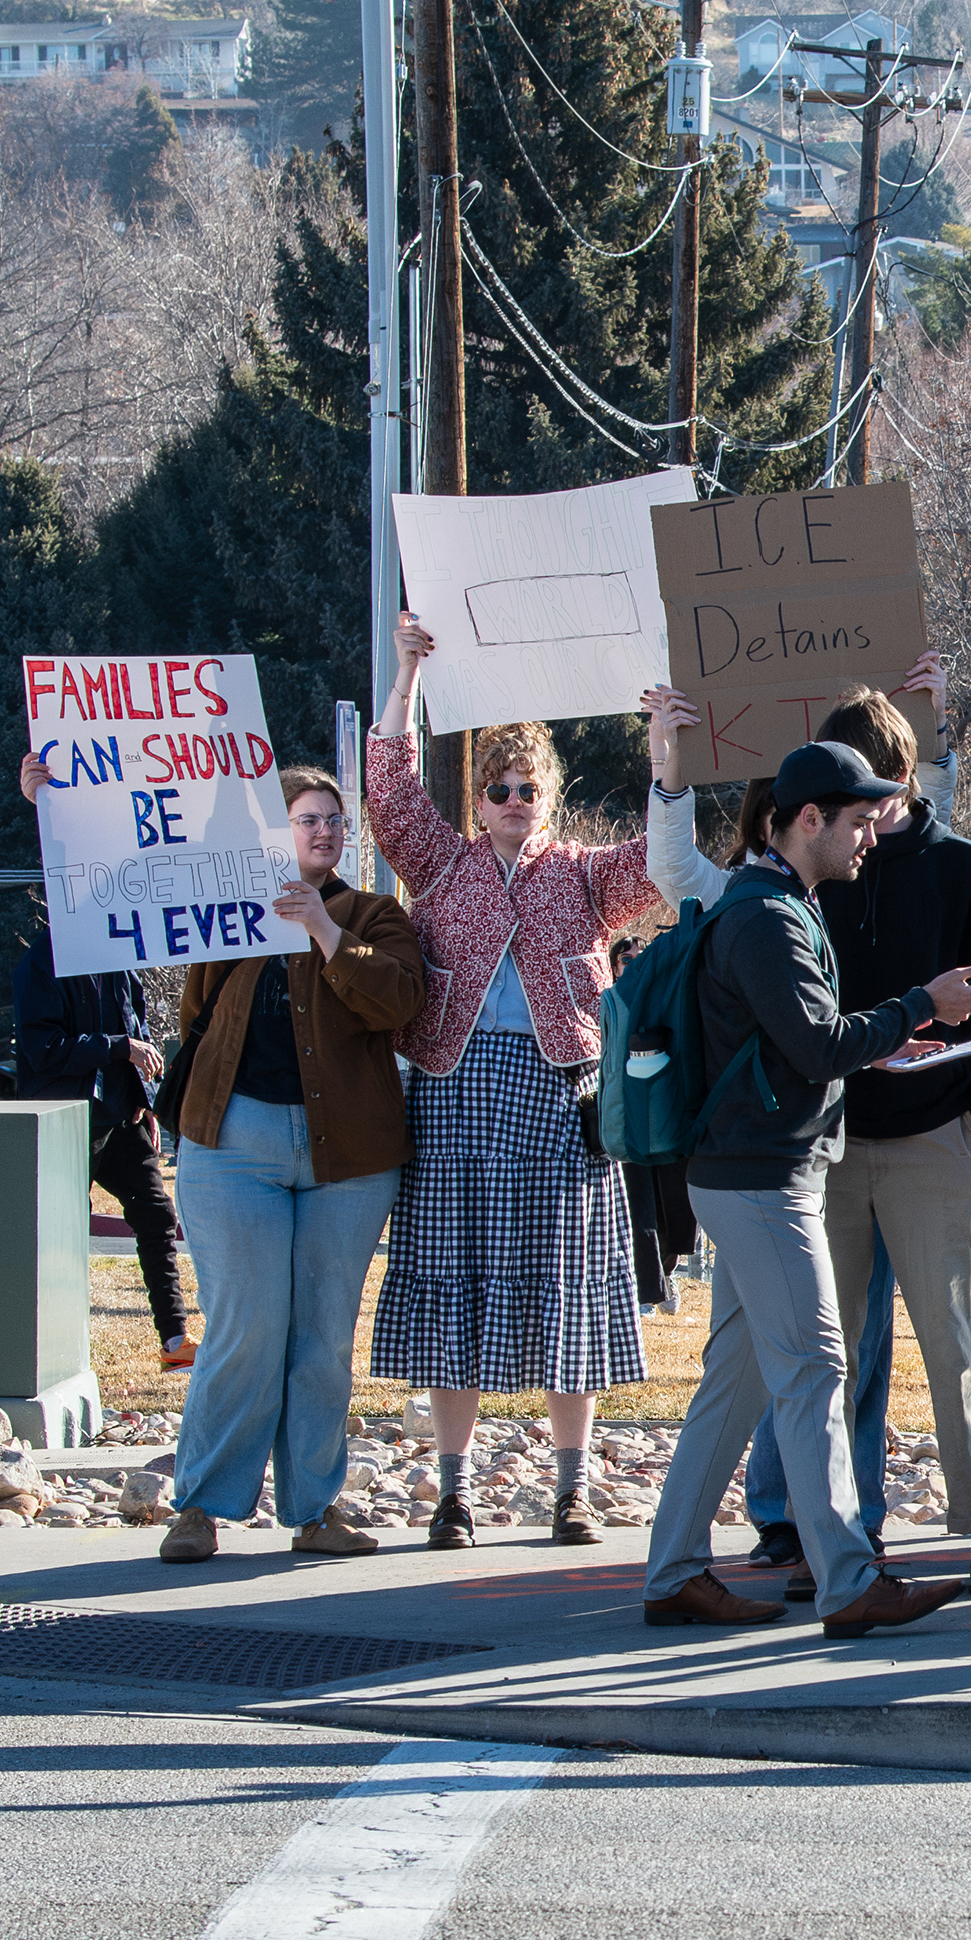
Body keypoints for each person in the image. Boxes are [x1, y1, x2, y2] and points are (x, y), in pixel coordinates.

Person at [641, 668, 971, 1599]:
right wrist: (921, 1006)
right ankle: (849, 1575)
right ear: (808, 819)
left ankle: (672, 1573)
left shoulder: (800, 894)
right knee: (819, 1365)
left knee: (738, 1379)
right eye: (858, 816)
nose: (874, 831)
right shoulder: (770, 912)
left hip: (792, 1161)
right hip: (771, 1174)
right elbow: (818, 1046)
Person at [361, 614, 664, 1546]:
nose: (513, 798)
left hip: (559, 1097)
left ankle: (570, 1488)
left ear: (553, 793)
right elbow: (389, 791)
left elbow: (662, 859)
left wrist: (664, 744)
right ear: (477, 796)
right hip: (451, 1092)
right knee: (452, 1286)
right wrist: (407, 674)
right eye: (497, 787)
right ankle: (453, 1491)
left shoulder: (582, 875)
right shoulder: (441, 865)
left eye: (529, 786)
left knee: (565, 1290)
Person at [136, 767, 426, 1563]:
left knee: (324, 1336)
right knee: (245, 1327)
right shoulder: (227, 907)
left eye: (336, 820)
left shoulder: (375, 914)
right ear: (276, 831)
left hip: (350, 1160)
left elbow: (400, 1003)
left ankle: (314, 1509)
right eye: (307, 819)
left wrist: (326, 934)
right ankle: (200, 1507)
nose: (326, 832)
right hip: (233, 1146)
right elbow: (131, 893)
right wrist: (51, 804)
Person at [8, 925, 191, 1371]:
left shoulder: (120, 954)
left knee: (157, 1217)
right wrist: (117, 1049)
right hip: (67, 1120)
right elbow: (42, 1049)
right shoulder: (43, 959)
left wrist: (144, 1103)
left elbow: (138, 1032)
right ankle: (45, 1354)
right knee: (57, 1234)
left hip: (124, 1119)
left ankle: (175, 1340)